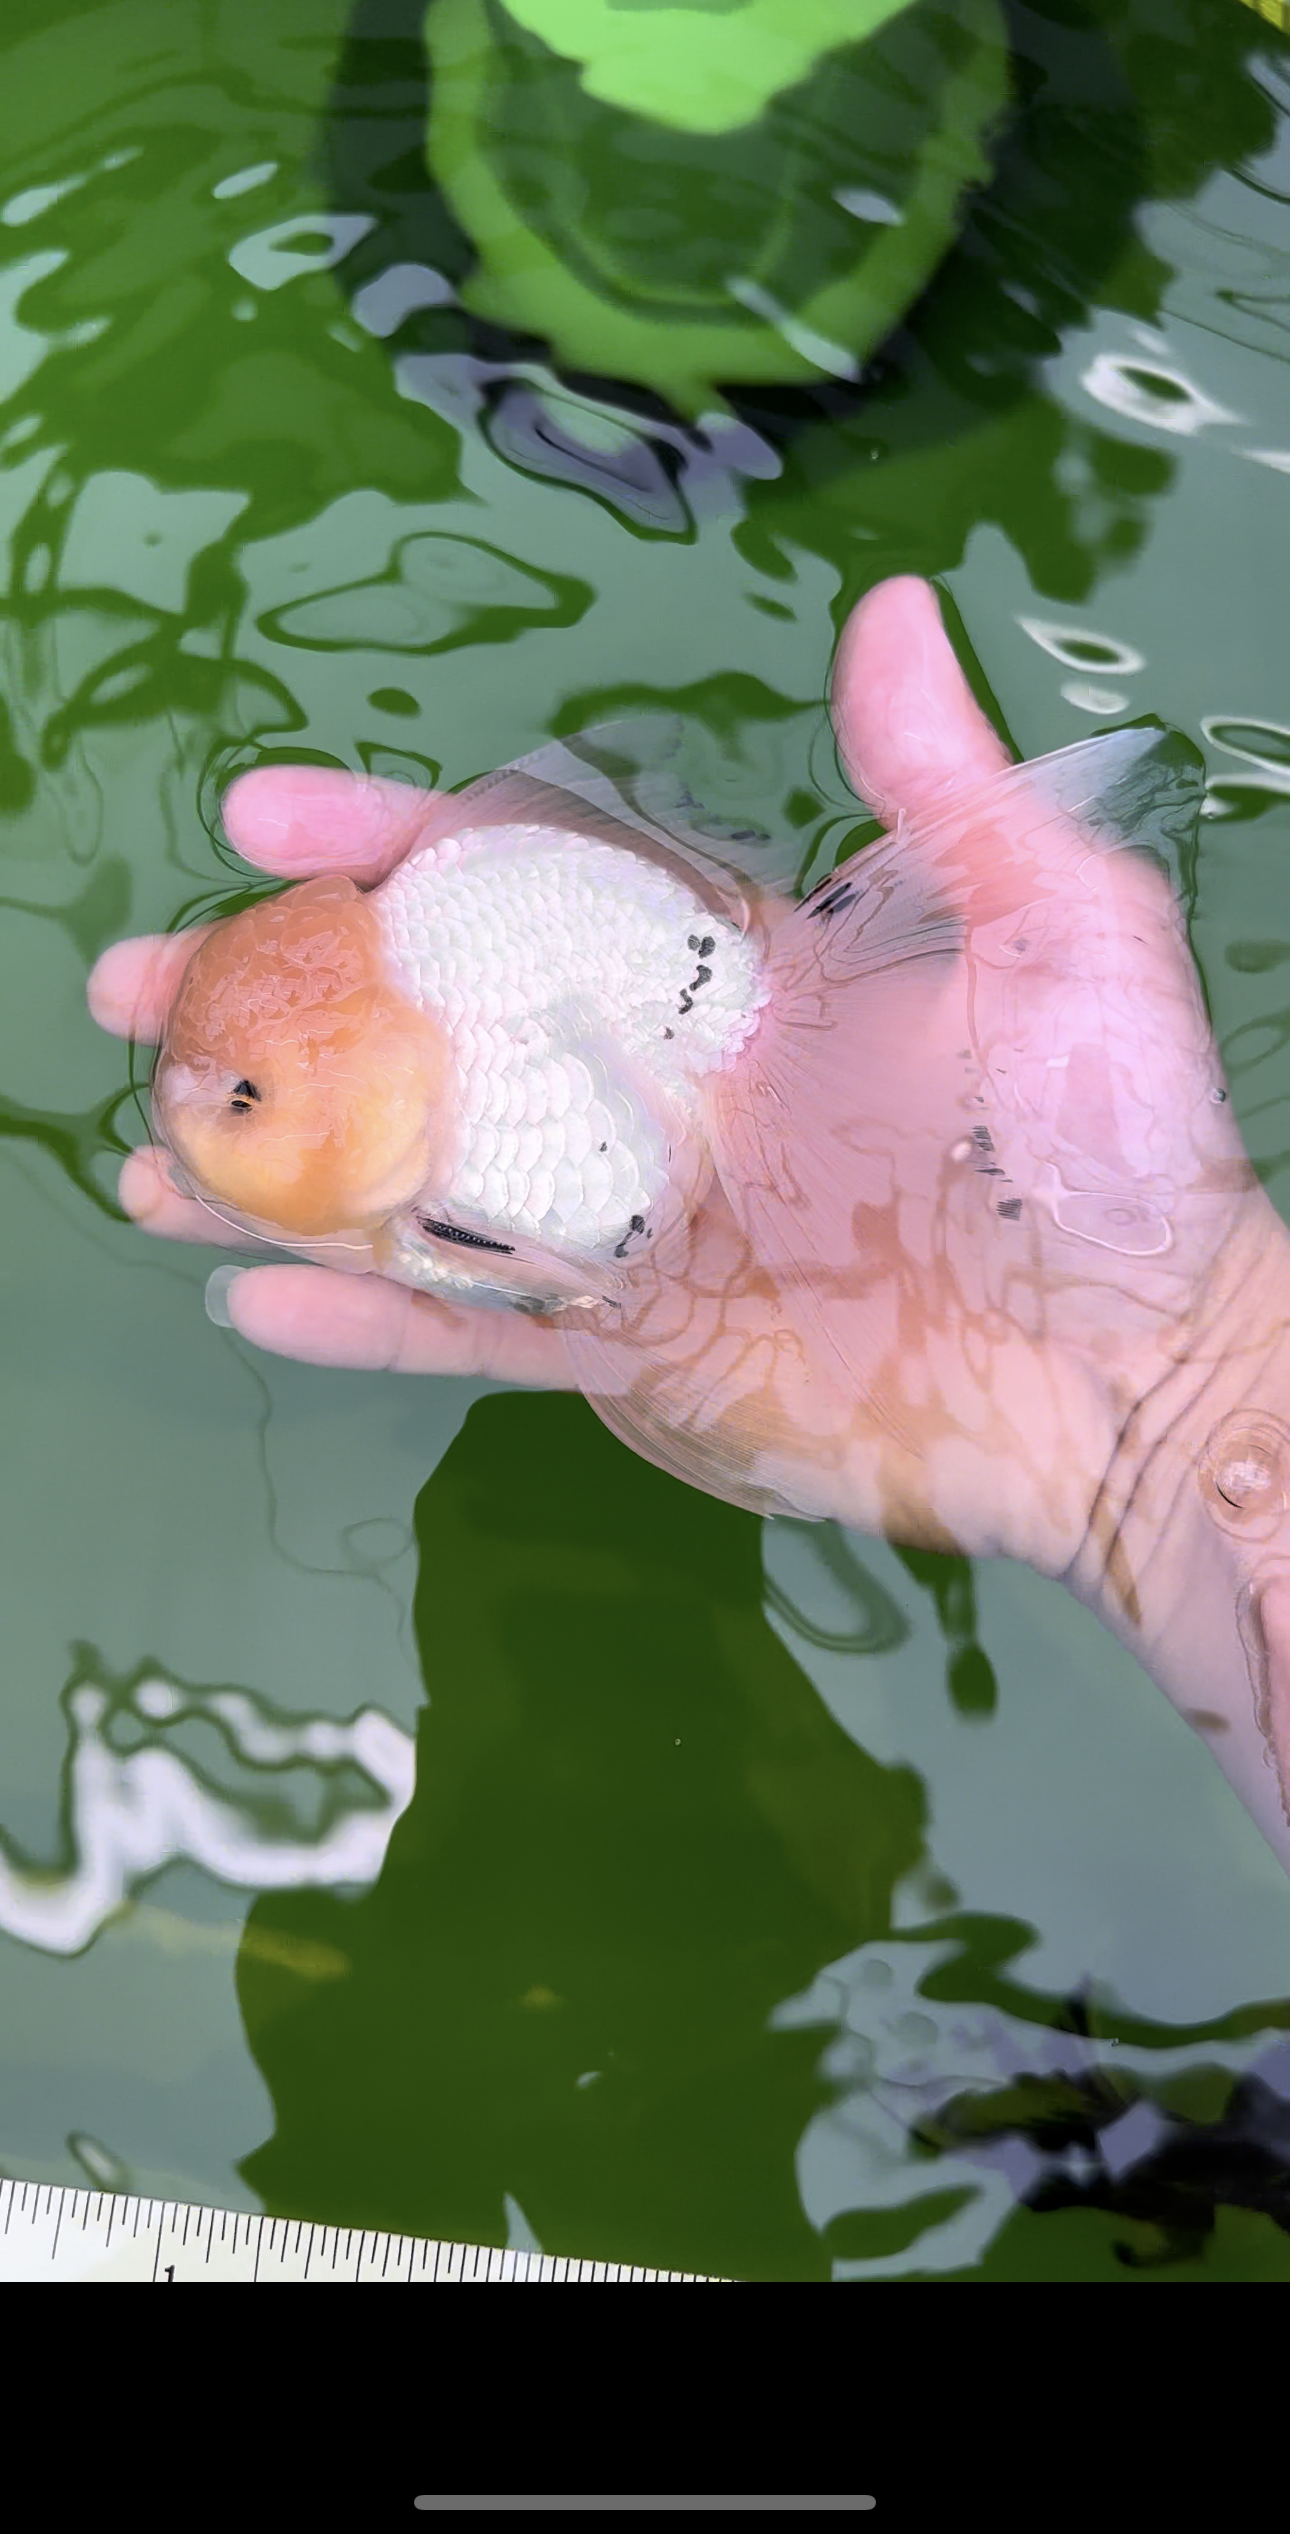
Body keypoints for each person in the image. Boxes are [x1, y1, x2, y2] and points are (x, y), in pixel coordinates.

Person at [88, 578, 1290, 1872]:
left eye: (248, 1096)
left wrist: (1190, 1377)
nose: (216, 1118)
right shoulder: (414, 1090)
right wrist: (1195, 1370)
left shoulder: (459, 1082)